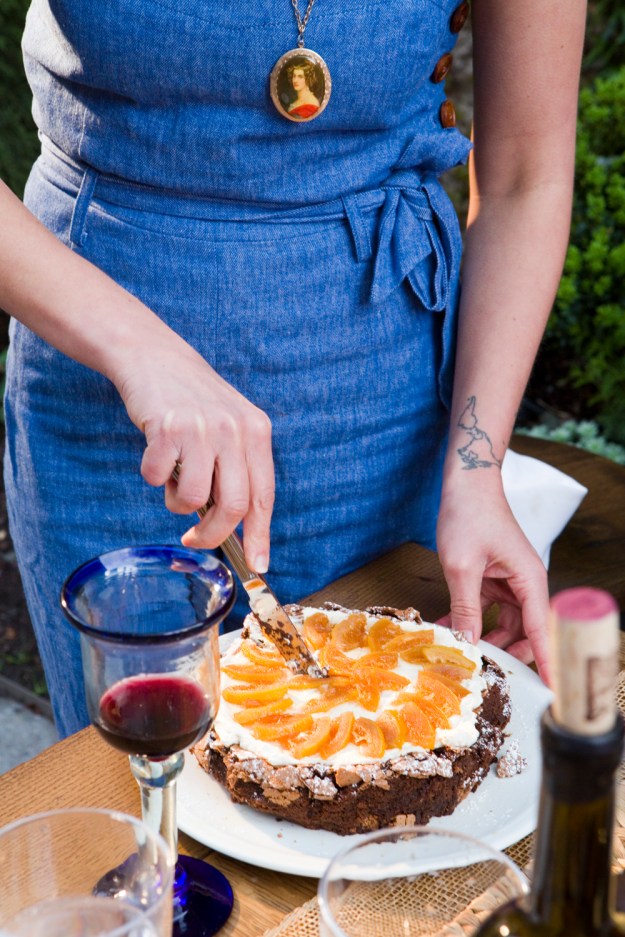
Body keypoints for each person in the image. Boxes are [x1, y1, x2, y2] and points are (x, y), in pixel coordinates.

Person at [1, 0, 587, 737]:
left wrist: (476, 471)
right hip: (102, 395)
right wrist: (138, 348)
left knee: (391, 763)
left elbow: (525, 178)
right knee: (139, 785)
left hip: (387, 417)